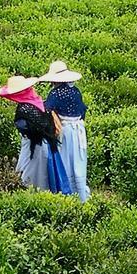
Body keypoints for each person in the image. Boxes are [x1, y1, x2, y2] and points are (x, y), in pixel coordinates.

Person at [0, 75, 73, 195]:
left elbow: (28, 129)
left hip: (35, 147)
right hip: (46, 146)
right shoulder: (38, 101)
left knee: (32, 176)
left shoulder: (25, 109)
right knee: (45, 174)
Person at [41, 61, 90, 202]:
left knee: (66, 161)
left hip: (66, 131)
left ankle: (67, 195)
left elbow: (47, 109)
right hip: (79, 130)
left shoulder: (55, 94)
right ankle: (80, 195)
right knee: (78, 161)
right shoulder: (76, 91)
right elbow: (82, 111)